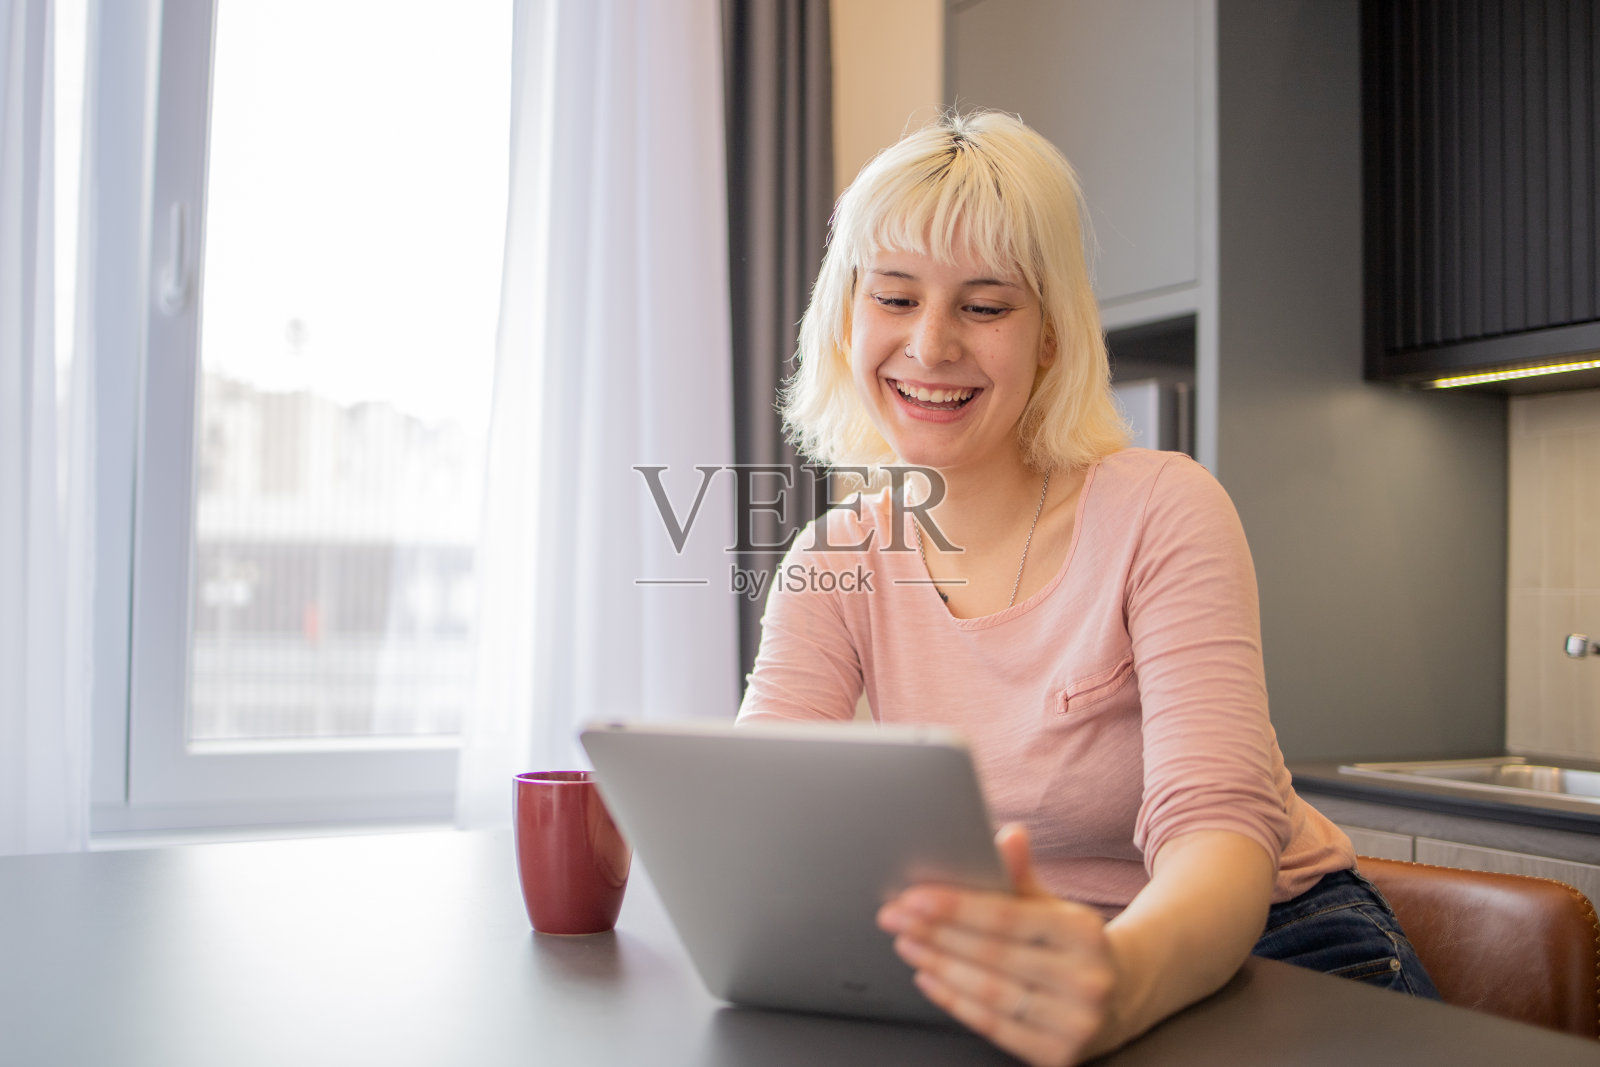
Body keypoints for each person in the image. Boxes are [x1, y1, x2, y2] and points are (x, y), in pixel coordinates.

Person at [735, 111, 1437, 1067]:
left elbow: (1218, 831)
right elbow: (765, 812)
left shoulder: (1163, 507)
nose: (930, 345)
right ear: (848, 320)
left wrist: (1113, 983)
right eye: (894, 297)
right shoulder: (833, 559)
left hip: (1271, 945)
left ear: (1051, 338)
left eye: (986, 307)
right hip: (1021, 975)